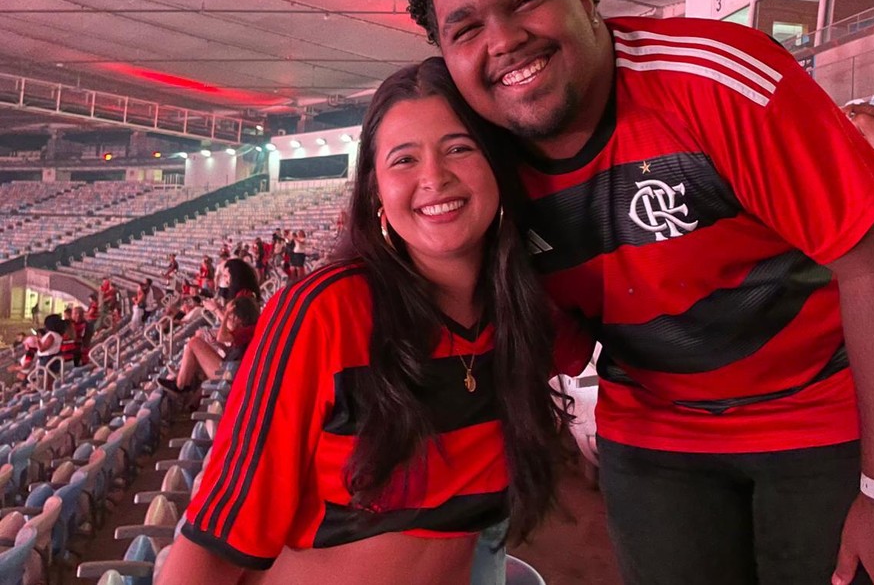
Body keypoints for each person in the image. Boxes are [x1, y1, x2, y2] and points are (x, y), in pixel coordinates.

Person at [403, 0, 874, 585]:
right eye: (466, 28)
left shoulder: (713, 80)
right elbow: (548, 345)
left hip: (826, 412)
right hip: (659, 432)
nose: (503, 38)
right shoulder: (479, 163)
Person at [157, 59, 588, 585]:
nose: (434, 177)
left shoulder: (527, 313)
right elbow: (210, 549)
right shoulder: (324, 311)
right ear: (376, 191)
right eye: (404, 159)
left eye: (459, 148)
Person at [158, 294, 262, 394]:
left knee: (194, 342)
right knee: (197, 349)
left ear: (237, 317)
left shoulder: (245, 331)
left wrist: (223, 314)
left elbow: (221, 337)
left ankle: (179, 385)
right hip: (228, 370)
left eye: (230, 314)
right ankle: (183, 381)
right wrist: (218, 345)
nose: (229, 317)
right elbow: (234, 350)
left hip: (227, 375)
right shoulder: (247, 329)